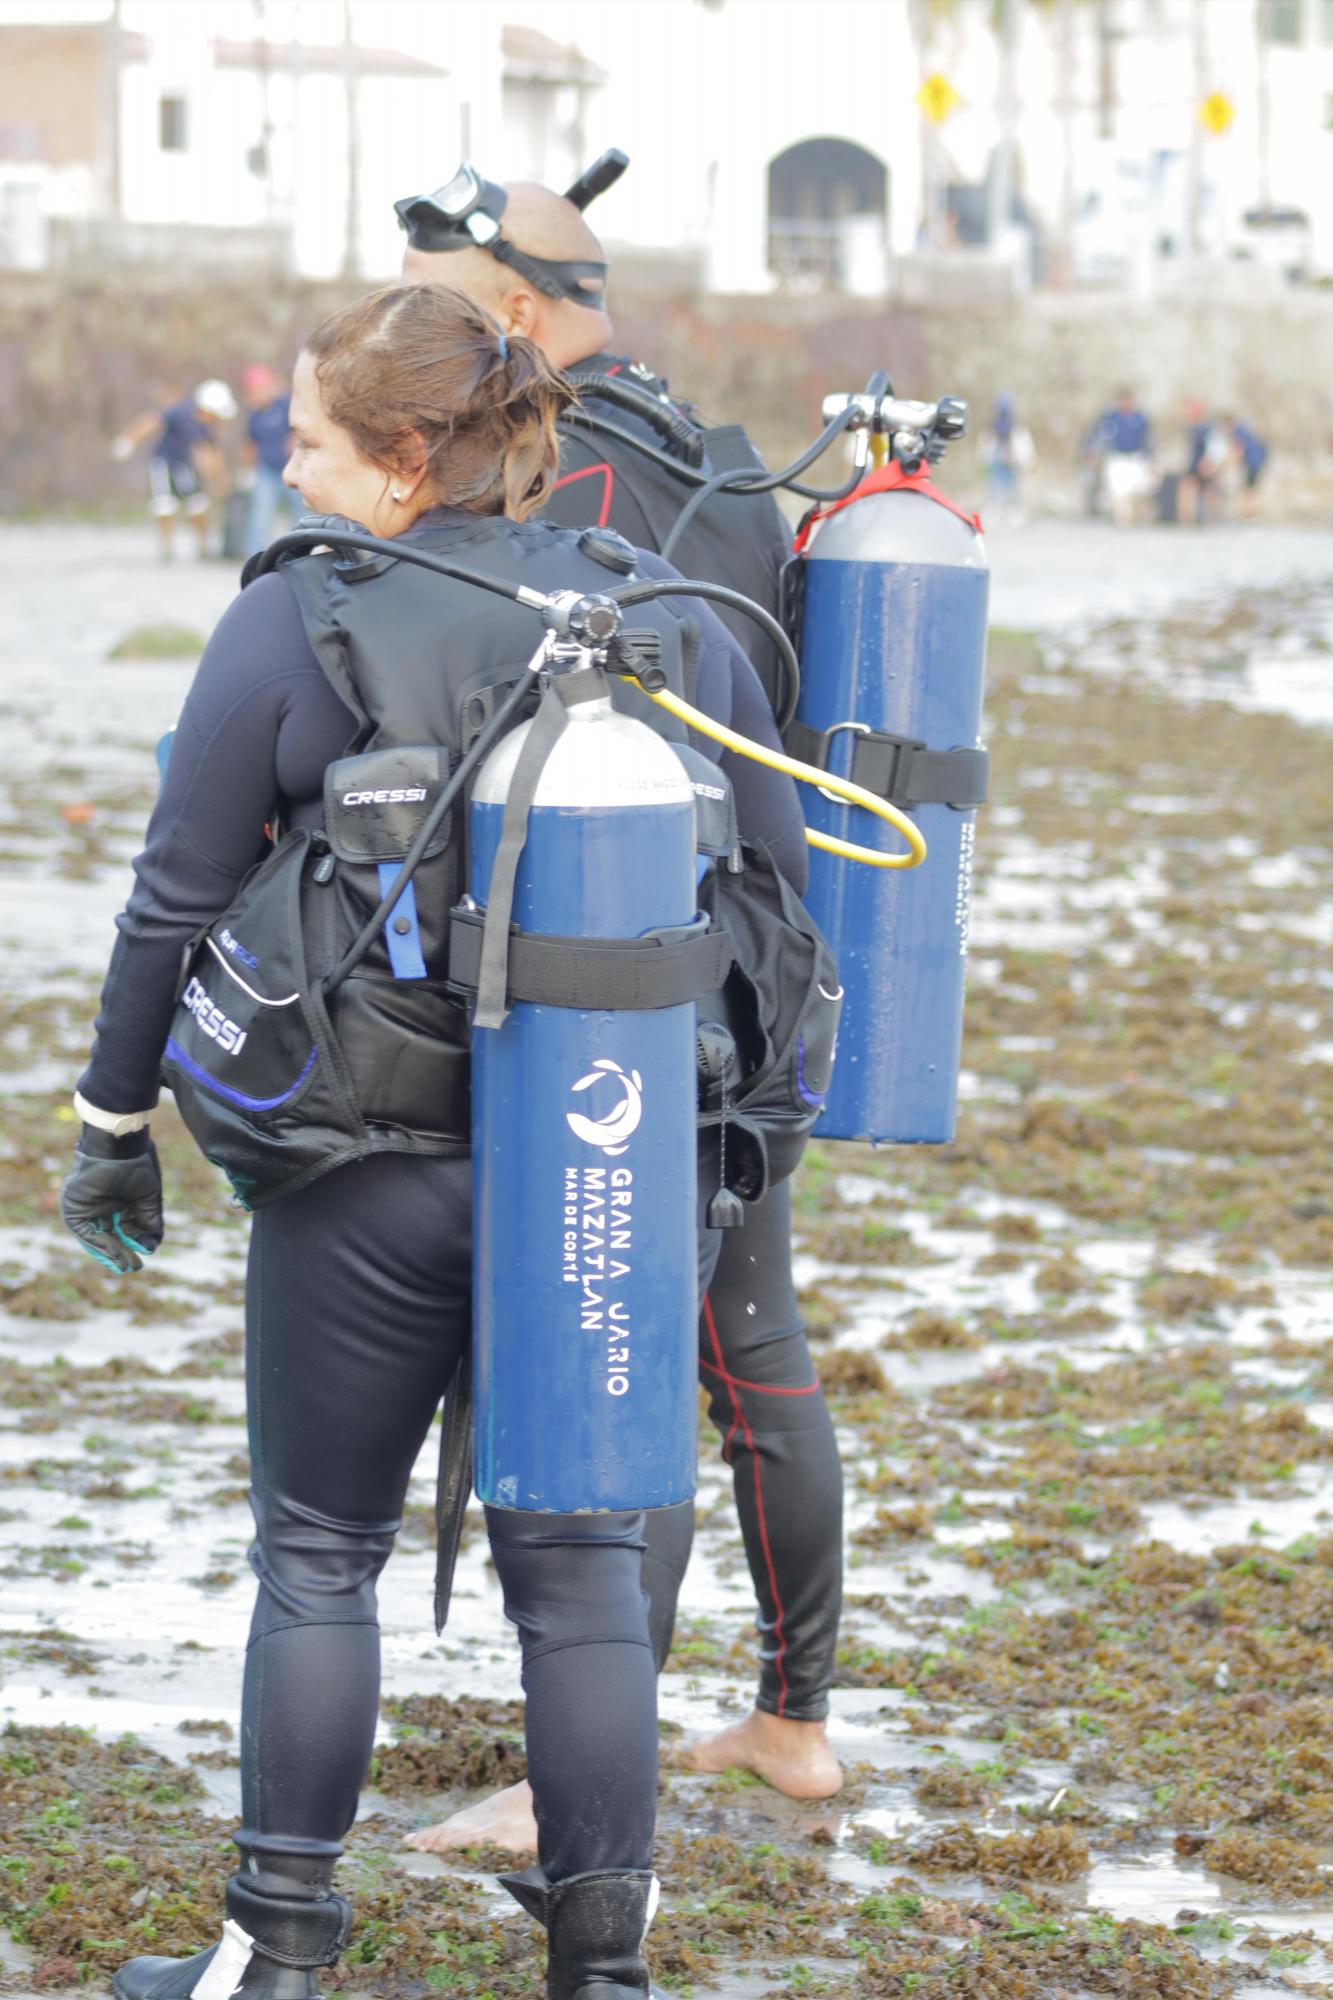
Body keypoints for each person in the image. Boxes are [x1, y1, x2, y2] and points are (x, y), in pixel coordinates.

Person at [61, 283, 806, 2000]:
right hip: (604, 1171)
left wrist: (116, 1127)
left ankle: (277, 1954)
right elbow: (773, 900)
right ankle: (603, 1977)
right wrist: (735, 1154)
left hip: (364, 1171)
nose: (292, 471)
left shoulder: (295, 622)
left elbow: (170, 900)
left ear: (404, 457)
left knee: (320, 1555)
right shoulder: (661, 614)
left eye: (312, 442)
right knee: (583, 1579)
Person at [396, 166, 845, 1862]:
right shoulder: (697, 445)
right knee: (746, 1344)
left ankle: (582, 1774)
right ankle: (790, 1722)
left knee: (619, 1350)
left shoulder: (570, 464)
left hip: (628, 969)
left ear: (512, 310)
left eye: (445, 301)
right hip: (749, 951)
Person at [111, 379, 236, 560]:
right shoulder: (180, 412)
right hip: (163, 463)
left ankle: (204, 547)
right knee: (164, 506)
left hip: (185, 466)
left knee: (198, 504)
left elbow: (211, 452)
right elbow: (150, 422)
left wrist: (220, 478)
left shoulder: (208, 426)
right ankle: (167, 549)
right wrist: (128, 441)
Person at [240, 363, 296, 556]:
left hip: (292, 469)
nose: (256, 396)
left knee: (299, 514)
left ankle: (301, 553)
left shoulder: (286, 405)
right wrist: (246, 471)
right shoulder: (255, 415)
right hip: (266, 470)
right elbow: (252, 443)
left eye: (259, 390)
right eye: (252, 393)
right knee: (261, 514)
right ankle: (256, 555)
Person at [1083, 388, 1153, 525]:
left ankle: (1140, 521)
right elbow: (1099, 436)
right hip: (1118, 459)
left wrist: (1151, 458)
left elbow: (1148, 440)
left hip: (1137, 458)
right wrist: (1091, 451)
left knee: (1141, 492)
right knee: (1119, 495)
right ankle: (1123, 522)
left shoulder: (1140, 418)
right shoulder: (1111, 418)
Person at [981, 393, 1035, 521]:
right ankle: (994, 509)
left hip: (1013, 461)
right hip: (997, 460)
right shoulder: (992, 425)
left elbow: (1023, 443)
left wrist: (1026, 459)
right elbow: (986, 442)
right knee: (994, 487)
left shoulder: (1016, 425)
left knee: (1013, 488)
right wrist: (986, 459)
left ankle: (1014, 511)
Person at [1221, 412, 1268, 518]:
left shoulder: (1238, 431)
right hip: (1257, 461)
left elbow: (1238, 449)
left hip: (1253, 462)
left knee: (1249, 488)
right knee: (1251, 488)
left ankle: (1250, 514)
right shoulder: (1243, 429)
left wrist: (1228, 464)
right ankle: (1251, 513)